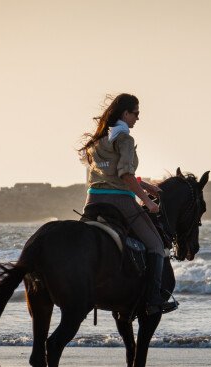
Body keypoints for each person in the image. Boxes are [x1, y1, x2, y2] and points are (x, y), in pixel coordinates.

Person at [79, 93, 174, 315]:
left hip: (92, 200)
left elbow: (112, 173)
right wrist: (148, 201)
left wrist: (145, 184)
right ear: (125, 113)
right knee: (156, 246)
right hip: (119, 201)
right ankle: (153, 300)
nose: (137, 119)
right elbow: (124, 175)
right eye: (136, 113)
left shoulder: (99, 139)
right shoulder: (125, 139)